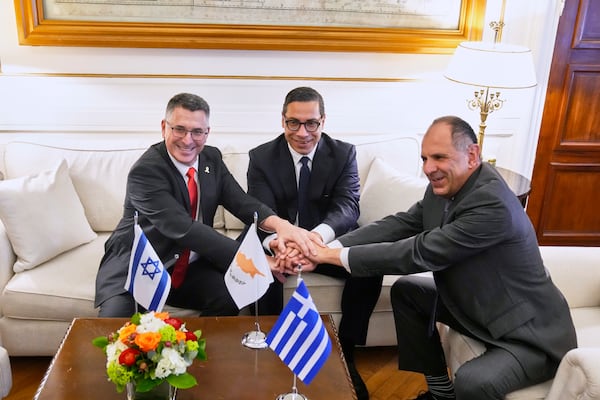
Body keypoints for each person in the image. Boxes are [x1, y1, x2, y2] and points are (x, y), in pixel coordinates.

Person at [303, 115, 577, 400]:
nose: (428, 168)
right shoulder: (446, 186)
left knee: (473, 382)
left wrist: (332, 256)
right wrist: (324, 242)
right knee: (408, 292)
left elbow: (419, 252)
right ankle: (440, 395)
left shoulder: (492, 203)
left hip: (527, 334)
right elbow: (401, 223)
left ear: (472, 154)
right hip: (477, 307)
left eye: (438, 157)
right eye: (424, 158)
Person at [95, 92, 315, 318]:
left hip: (188, 267)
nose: (188, 140)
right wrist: (256, 261)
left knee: (229, 298)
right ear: (164, 128)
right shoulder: (146, 171)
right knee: (114, 331)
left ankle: (194, 351)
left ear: (207, 133)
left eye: (197, 131)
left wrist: (282, 226)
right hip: (141, 266)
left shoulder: (211, 159)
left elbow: (242, 204)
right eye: (179, 129)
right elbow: (184, 228)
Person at [246, 86, 381, 399]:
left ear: (323, 121)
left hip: (326, 240)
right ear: (283, 121)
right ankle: (271, 354)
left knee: (369, 266)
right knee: (260, 267)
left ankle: (346, 353)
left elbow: (348, 206)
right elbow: (260, 210)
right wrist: (282, 244)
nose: (303, 132)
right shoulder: (262, 157)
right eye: (294, 123)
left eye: (311, 123)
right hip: (280, 243)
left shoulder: (344, 153)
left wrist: (316, 242)